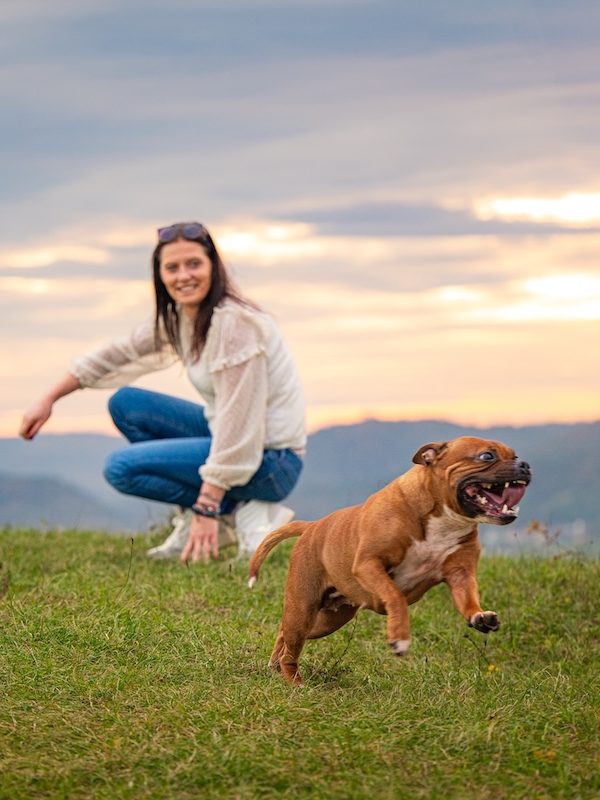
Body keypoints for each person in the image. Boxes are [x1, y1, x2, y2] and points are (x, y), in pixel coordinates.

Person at [19, 221, 306, 564]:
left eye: (194, 264)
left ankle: (232, 512)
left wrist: (208, 504)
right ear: (160, 275)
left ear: (214, 267)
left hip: (272, 460)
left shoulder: (235, 324)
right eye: (172, 267)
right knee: (127, 404)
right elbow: (119, 353)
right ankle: (238, 510)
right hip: (238, 441)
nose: (183, 276)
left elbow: (239, 421)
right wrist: (49, 398)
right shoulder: (185, 318)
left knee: (121, 468)